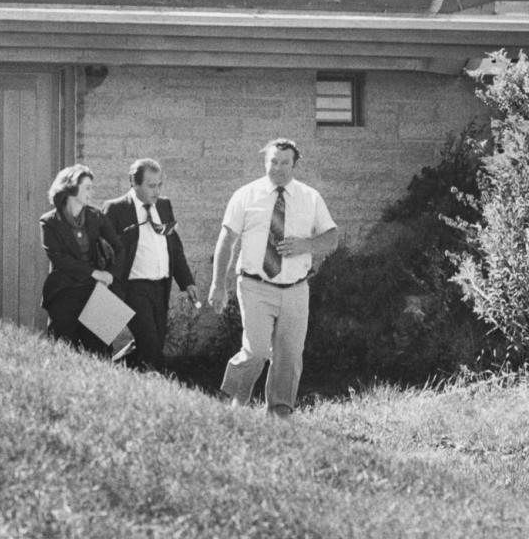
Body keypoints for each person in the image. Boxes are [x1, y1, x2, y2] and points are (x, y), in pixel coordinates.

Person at [207, 137, 338, 417]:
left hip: (295, 289)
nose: (278, 168)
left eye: (284, 163)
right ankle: (232, 400)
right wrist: (218, 284)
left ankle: (280, 413)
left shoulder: (310, 197)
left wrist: (307, 245)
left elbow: (332, 238)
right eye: (273, 162)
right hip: (255, 285)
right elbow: (227, 240)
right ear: (265, 162)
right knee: (255, 352)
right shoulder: (246, 195)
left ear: (295, 164)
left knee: (289, 356)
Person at [102, 158, 200, 372]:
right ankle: (154, 384)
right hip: (133, 288)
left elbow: (174, 247)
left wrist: (187, 282)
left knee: (153, 342)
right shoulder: (116, 209)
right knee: (150, 344)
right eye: (151, 185)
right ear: (134, 183)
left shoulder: (164, 205)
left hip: (160, 287)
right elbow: (105, 252)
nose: (156, 191)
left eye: (159, 185)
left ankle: (114, 370)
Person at [39, 163, 125, 356]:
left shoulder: (96, 216)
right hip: (65, 291)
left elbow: (119, 248)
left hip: (99, 290)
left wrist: (111, 275)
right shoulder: (49, 221)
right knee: (63, 350)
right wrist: (94, 273)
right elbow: (58, 258)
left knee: (101, 352)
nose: (91, 192)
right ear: (70, 187)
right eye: (87, 187)